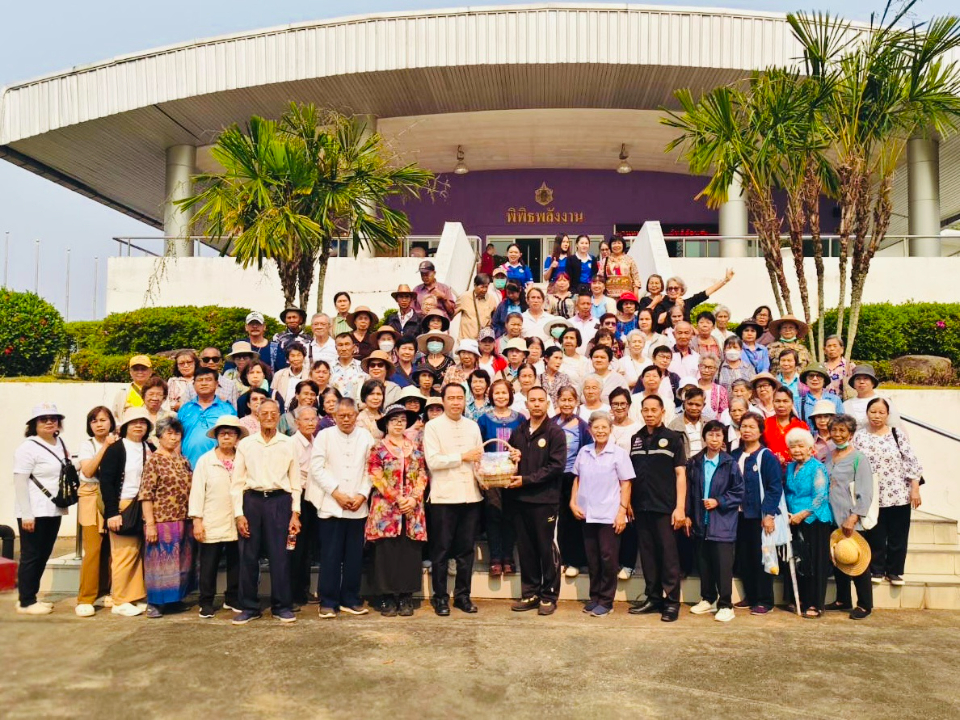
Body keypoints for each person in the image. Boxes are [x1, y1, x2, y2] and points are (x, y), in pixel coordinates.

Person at [231, 399, 301, 625]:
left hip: (280, 502)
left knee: (280, 556)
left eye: (273, 413)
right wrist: (239, 514)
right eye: (265, 413)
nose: (269, 417)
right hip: (252, 501)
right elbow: (237, 482)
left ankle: (282, 606)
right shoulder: (246, 444)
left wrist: (295, 513)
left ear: (279, 416)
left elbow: (295, 481)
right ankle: (249, 607)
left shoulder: (288, 443)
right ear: (258, 416)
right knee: (248, 556)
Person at [423, 383, 485, 616]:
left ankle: (463, 596)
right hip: (444, 497)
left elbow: (478, 459)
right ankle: (440, 597)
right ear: (443, 400)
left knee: (466, 551)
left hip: (470, 496)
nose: (456, 402)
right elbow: (433, 461)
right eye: (452, 398)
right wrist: (462, 456)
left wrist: (487, 477)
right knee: (441, 550)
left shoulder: (472, 426)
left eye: (460, 398)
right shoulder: (433, 426)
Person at [504, 387, 566, 616]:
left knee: (546, 548)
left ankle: (549, 595)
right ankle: (530, 593)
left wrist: (526, 480)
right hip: (520, 500)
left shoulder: (555, 432)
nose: (537, 404)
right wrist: (512, 461)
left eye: (541, 400)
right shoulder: (518, 431)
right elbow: (511, 460)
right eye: (533, 400)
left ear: (548, 404)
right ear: (527, 404)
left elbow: (556, 466)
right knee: (526, 549)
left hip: (545, 501)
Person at [627, 395, 688, 622]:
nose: (650, 414)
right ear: (641, 412)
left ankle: (671, 602)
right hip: (641, 507)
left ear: (663, 412)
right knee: (648, 555)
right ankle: (653, 598)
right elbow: (631, 474)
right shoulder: (636, 438)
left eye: (654, 410)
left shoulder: (673, 438)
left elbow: (680, 474)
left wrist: (680, 508)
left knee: (668, 556)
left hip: (665, 508)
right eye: (646, 410)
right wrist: (629, 502)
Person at [366, 404, 429, 617]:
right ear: (386, 424)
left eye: (402, 420)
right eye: (394, 420)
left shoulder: (416, 447)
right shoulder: (378, 448)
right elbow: (375, 474)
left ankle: (406, 596)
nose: (398, 423)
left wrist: (413, 498)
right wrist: (397, 498)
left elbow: (422, 474)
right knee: (386, 552)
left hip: (411, 509)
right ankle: (387, 597)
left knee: (409, 552)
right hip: (387, 509)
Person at [570, 410, 635, 616]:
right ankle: (595, 597)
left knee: (608, 558)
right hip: (587, 512)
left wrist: (621, 512)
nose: (600, 431)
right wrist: (572, 502)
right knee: (593, 557)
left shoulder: (619, 454)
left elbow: (626, 484)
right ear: (590, 430)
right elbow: (577, 479)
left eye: (604, 427)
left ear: (610, 429)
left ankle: (606, 601)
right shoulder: (584, 451)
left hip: (609, 513)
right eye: (596, 427)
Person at [854, 398, 924, 585]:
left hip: (899, 493)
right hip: (873, 494)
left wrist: (915, 489)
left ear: (887, 415)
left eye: (881, 412)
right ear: (867, 413)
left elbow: (911, 462)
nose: (876, 416)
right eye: (873, 412)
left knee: (898, 534)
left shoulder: (896, 433)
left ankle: (894, 571)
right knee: (876, 534)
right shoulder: (859, 436)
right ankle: (876, 569)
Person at [12, 403, 71, 615]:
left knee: (44, 553)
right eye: (43, 419)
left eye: (53, 418)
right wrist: (26, 514)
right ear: (34, 424)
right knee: (31, 555)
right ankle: (26, 601)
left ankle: (31, 597)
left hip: (53, 509)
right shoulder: (27, 448)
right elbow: (20, 482)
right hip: (34, 511)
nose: (49, 422)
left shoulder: (59, 442)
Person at [686, 420, 744, 622]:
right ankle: (708, 598)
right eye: (710, 434)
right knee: (704, 563)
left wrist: (719, 501)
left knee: (723, 566)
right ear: (704, 437)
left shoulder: (730, 463)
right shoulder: (695, 462)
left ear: (723, 439)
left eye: (718, 435)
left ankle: (726, 604)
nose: (714, 439)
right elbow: (689, 491)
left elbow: (739, 492)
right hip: (700, 522)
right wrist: (688, 515)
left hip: (722, 523)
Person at [189, 415, 246, 618]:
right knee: (209, 564)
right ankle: (206, 601)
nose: (226, 437)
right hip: (212, 518)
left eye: (231, 433)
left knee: (236, 562)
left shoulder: (243, 459)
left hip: (237, 519)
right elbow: (197, 492)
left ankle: (232, 597)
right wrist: (197, 521)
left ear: (237, 436)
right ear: (217, 436)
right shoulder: (206, 461)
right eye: (222, 433)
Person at [99, 407, 153, 617]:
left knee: (137, 553)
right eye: (134, 422)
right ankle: (120, 600)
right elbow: (106, 482)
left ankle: (135, 596)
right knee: (123, 554)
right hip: (123, 504)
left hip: (143, 504)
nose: (139, 426)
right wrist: (112, 512)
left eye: (143, 422)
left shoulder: (148, 447)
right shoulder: (116, 449)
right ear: (125, 427)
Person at [139, 416, 195, 618]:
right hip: (162, 521)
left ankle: (174, 600)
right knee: (159, 563)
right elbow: (146, 494)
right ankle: (155, 603)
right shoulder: (154, 460)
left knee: (181, 562)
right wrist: (150, 524)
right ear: (160, 436)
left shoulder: (183, 460)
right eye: (169, 433)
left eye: (177, 433)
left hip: (184, 519)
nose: (173, 437)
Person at [731, 412, 783, 615]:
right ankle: (750, 596)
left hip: (758, 516)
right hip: (738, 515)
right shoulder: (735, 454)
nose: (747, 430)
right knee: (744, 557)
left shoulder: (766, 456)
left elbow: (774, 487)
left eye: (752, 427)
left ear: (760, 431)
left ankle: (764, 600)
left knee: (761, 557)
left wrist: (769, 514)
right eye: (744, 426)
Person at [824, 414, 875, 619]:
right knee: (839, 557)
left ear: (851, 433)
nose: (837, 434)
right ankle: (842, 599)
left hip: (850, 518)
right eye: (834, 430)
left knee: (857, 561)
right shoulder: (829, 456)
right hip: (832, 517)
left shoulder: (859, 459)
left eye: (842, 430)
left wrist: (853, 517)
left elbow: (866, 492)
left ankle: (864, 604)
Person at [783, 427, 832, 618]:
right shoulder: (789, 467)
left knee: (815, 562)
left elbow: (821, 496)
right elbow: (788, 492)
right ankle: (801, 599)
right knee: (799, 561)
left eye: (800, 446)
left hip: (814, 519)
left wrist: (802, 514)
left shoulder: (817, 467)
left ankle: (815, 604)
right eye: (793, 446)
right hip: (793, 519)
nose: (796, 450)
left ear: (810, 448)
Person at [476, 379, 523, 577]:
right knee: (493, 514)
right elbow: (479, 448)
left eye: (504, 393)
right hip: (491, 477)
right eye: (497, 393)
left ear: (510, 395)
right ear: (491, 395)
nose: (501, 396)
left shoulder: (520, 418)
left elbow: (524, 445)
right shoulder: (483, 419)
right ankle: (495, 558)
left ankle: (508, 557)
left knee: (510, 515)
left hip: (512, 476)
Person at [75, 406, 116, 616]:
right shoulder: (88, 445)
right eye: (94, 421)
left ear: (111, 422)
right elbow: (88, 470)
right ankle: (85, 598)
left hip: (112, 497)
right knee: (93, 549)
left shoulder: (119, 442)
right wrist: (105, 446)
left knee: (111, 548)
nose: (99, 424)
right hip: (91, 497)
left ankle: (105, 591)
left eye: (103, 420)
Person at [552, 385, 592, 579]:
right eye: (563, 400)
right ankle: (559, 559)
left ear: (576, 402)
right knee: (556, 520)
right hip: (554, 476)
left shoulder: (582, 426)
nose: (567, 403)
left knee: (573, 519)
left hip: (574, 477)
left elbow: (588, 452)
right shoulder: (551, 423)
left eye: (570, 400)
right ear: (557, 401)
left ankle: (575, 561)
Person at [178, 366, 237, 469]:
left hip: (220, 467)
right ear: (193, 385)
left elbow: (235, 439)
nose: (204, 383)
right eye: (200, 380)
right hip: (187, 467)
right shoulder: (185, 409)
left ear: (217, 384)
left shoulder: (227, 409)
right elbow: (177, 437)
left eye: (208, 380)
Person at [652, 271, 735, 330]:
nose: (673, 291)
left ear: (682, 290)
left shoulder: (687, 303)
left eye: (676, 288)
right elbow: (660, 320)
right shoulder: (661, 304)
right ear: (667, 291)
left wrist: (725, 280)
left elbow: (706, 293)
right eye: (670, 288)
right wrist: (676, 306)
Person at [843, 364, 905, 431]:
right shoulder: (846, 405)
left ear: (873, 383)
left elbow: (895, 426)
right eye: (858, 379)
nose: (862, 382)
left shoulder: (884, 402)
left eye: (866, 378)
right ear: (853, 384)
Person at [763, 387, 809, 466]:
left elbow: (808, 452)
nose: (781, 405)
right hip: (770, 467)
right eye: (777, 401)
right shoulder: (765, 424)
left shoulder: (801, 426)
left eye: (785, 401)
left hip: (796, 468)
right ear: (773, 403)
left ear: (792, 403)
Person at [453, 273, 497, 340]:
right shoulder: (464, 297)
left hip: (483, 342)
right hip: (466, 341)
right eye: (482, 287)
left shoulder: (491, 299)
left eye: (486, 287)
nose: (484, 290)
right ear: (475, 285)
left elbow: (495, 319)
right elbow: (451, 314)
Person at [598, 233, 640, 299]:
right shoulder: (605, 260)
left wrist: (636, 294)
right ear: (610, 246)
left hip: (627, 297)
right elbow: (600, 278)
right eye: (614, 243)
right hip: (609, 297)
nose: (616, 245)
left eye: (619, 243)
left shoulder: (629, 259)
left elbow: (636, 278)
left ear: (623, 245)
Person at [112, 354, 154, 420]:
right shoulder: (123, 392)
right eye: (136, 369)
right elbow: (114, 416)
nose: (140, 372)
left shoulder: (158, 392)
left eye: (143, 369)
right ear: (130, 372)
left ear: (150, 372)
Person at [668, 387, 706, 457]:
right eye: (690, 404)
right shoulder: (674, 426)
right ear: (684, 403)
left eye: (697, 405)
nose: (693, 408)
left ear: (703, 405)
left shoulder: (709, 424)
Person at [330, 332, 368, 401]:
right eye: (340, 345)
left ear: (353, 347)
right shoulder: (329, 368)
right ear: (336, 348)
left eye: (347, 344)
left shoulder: (362, 367)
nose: (344, 349)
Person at [696, 352, 728, 420]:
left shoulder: (721, 390)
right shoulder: (692, 386)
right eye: (704, 367)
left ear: (716, 369)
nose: (706, 370)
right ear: (699, 367)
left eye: (710, 368)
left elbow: (724, 412)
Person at [775, 349, 808, 415]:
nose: (786, 364)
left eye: (789, 361)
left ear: (796, 362)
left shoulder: (803, 383)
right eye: (783, 360)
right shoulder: (774, 382)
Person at [142, 376, 171, 444]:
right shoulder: (135, 415)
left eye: (159, 394)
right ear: (143, 396)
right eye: (151, 394)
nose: (154, 398)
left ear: (164, 398)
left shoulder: (171, 416)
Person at [823, 334, 854, 399]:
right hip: (823, 403)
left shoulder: (849, 367)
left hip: (843, 403)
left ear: (842, 349)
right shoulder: (821, 367)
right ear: (825, 350)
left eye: (835, 346)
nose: (832, 349)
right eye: (829, 346)